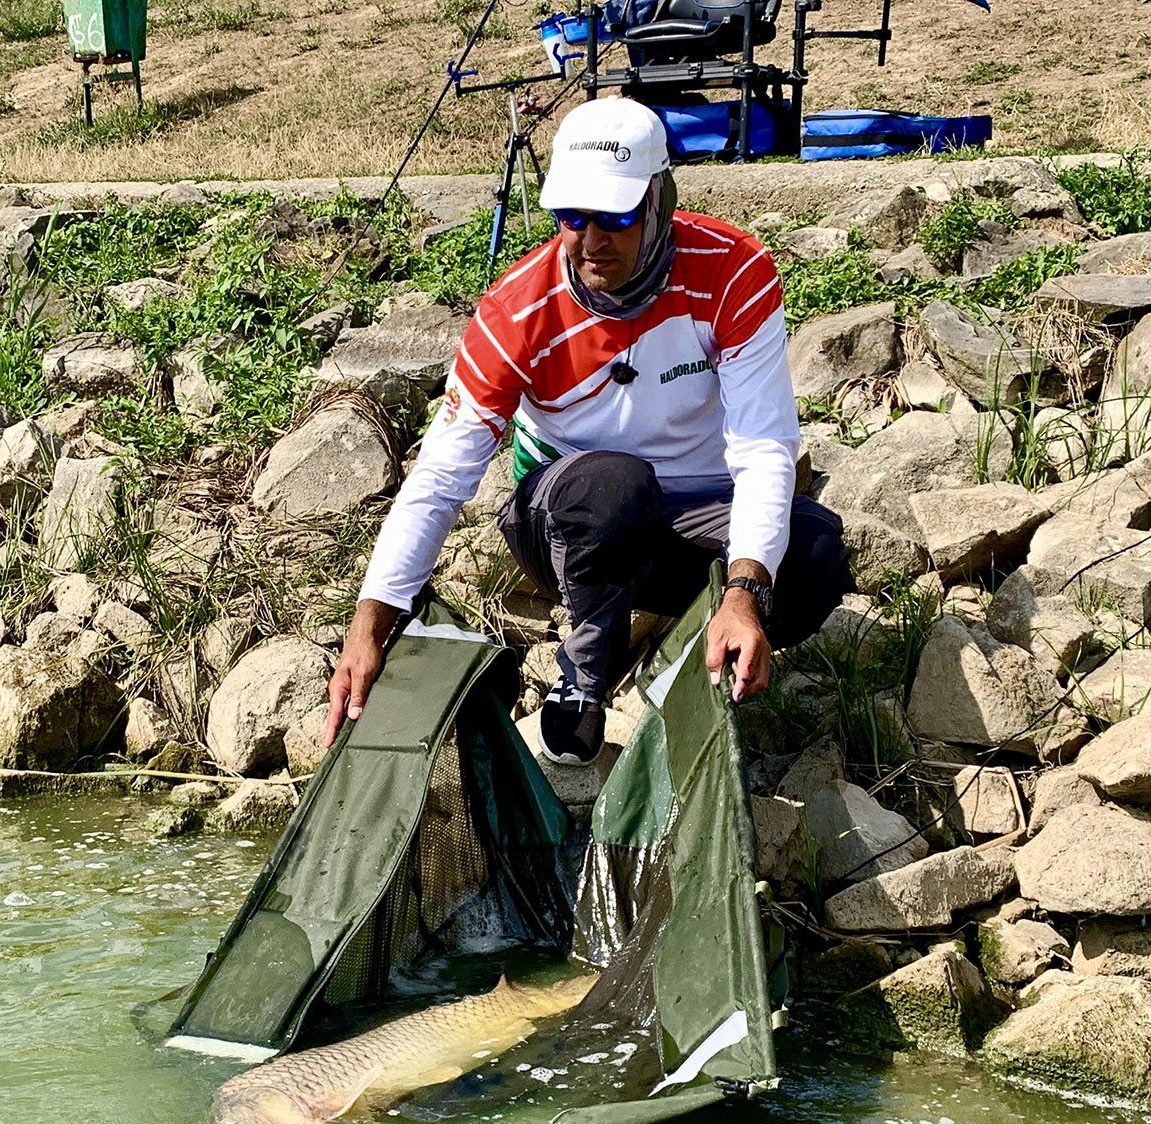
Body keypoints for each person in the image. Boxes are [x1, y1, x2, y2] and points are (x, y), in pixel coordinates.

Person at [325, 97, 849, 764]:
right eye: (571, 216)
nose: (591, 238)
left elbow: (764, 447)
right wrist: (370, 623)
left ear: (659, 201)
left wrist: (746, 591)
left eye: (616, 216)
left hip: (701, 509)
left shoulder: (732, 271)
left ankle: (687, 657)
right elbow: (439, 478)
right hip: (568, 520)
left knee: (814, 556)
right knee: (613, 486)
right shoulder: (517, 310)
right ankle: (583, 681)